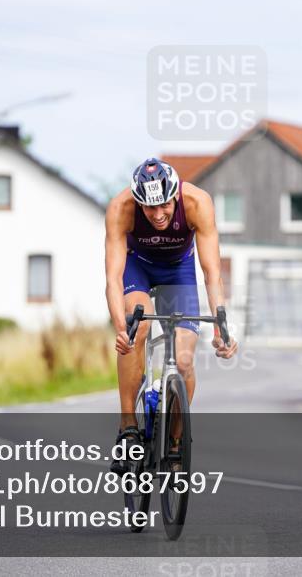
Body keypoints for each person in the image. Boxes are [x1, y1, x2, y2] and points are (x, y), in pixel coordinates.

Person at [104, 158, 237, 473]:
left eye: (163, 205)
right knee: (136, 329)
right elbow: (112, 278)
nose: (158, 214)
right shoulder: (120, 208)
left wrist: (221, 329)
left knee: (185, 359)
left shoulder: (196, 202)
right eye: (149, 209)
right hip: (138, 267)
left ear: (175, 195)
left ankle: (175, 446)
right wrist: (121, 328)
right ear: (138, 201)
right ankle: (128, 428)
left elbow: (212, 272)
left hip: (178, 272)